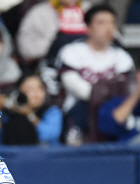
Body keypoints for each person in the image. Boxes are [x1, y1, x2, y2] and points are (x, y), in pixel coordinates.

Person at [54, 5, 133, 137]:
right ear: (88, 28)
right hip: (80, 109)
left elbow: (124, 89)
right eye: (101, 22)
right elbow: (76, 88)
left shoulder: (123, 56)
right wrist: (102, 96)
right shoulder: (71, 51)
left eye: (112, 22)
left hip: (114, 109)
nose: (109, 27)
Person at [0, 74, 63, 146]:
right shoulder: (10, 113)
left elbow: (49, 136)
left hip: (46, 157)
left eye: (40, 88)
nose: (36, 93)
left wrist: (29, 115)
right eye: (30, 89)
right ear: (20, 93)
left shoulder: (52, 111)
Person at [16, 0, 87, 64]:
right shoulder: (40, 11)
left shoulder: (89, 10)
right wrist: (58, 46)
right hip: (48, 64)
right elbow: (25, 49)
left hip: (86, 64)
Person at [97, 58, 140, 144]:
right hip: (126, 153)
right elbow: (110, 126)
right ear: (137, 75)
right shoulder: (115, 102)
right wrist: (137, 95)